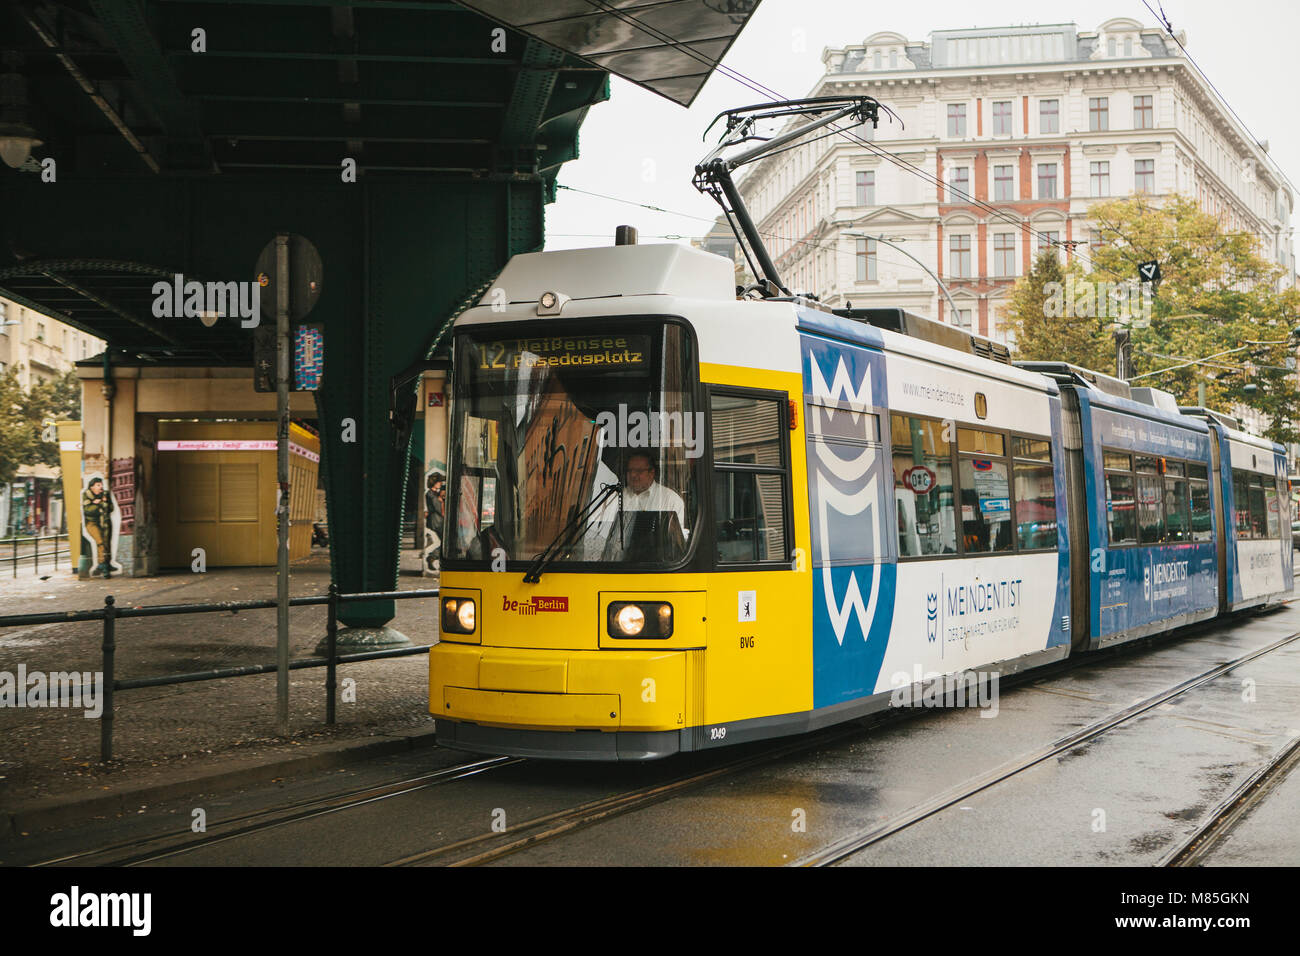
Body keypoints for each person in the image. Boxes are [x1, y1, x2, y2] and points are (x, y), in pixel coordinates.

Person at [82, 476, 113, 578]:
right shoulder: (86, 495)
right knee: (100, 542)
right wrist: (100, 504)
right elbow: (88, 510)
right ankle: (103, 565)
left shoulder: (105, 494)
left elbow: (111, 508)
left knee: (106, 543)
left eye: (101, 485)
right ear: (92, 487)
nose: (101, 487)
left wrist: (103, 503)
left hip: (105, 522)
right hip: (92, 523)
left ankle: (105, 564)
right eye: (98, 485)